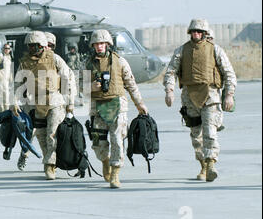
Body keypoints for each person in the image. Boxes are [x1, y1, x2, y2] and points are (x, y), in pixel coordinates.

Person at [163, 18, 236, 182]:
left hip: (210, 96)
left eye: (199, 32)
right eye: (193, 31)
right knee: (196, 136)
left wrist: (229, 94)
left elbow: (228, 73)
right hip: (189, 97)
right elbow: (171, 72)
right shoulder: (181, 51)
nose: (196, 34)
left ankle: (211, 165)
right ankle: (202, 165)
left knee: (210, 133)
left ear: (205, 33)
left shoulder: (215, 50)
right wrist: (169, 91)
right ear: (190, 33)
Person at [86, 29, 148, 188]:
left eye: (102, 43)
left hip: (117, 105)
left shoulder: (120, 61)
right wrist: (89, 86)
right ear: (93, 45)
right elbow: (80, 85)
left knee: (117, 140)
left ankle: (115, 173)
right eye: (96, 44)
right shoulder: (87, 63)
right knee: (98, 143)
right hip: (97, 107)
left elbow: (131, 84)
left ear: (107, 44)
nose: (99, 46)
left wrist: (139, 103)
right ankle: (105, 161)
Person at [10, 31, 76, 180]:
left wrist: (70, 104)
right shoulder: (24, 63)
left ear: (43, 46)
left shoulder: (55, 59)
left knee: (52, 135)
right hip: (35, 104)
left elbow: (68, 79)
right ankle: (49, 161)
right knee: (40, 136)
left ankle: (49, 165)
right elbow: (17, 84)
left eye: (36, 46)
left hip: (54, 102)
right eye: (30, 46)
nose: (33, 49)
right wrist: (13, 101)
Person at [0, 43, 13, 112]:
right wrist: (0, 76)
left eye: (8, 49)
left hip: (6, 79)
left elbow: (9, 68)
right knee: (2, 96)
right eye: (5, 48)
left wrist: (11, 77)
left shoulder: (9, 57)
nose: (7, 50)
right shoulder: (0, 56)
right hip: (1, 80)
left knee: (6, 96)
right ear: (3, 49)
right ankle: (2, 112)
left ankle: (6, 111)